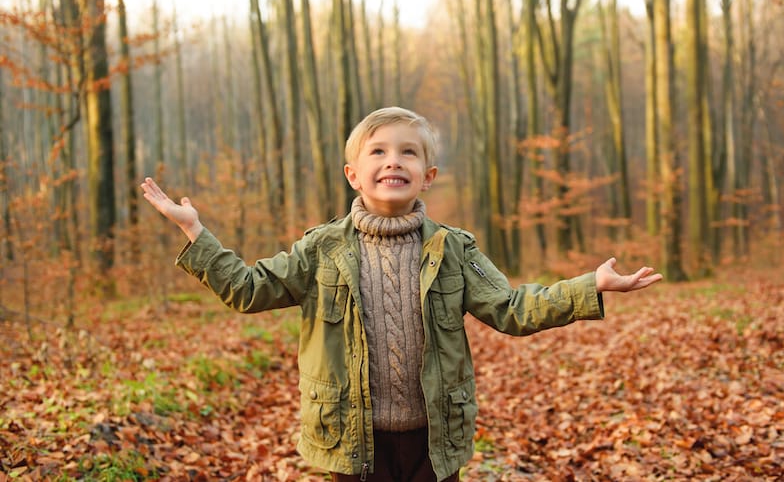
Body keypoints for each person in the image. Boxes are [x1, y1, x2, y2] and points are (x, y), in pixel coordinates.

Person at [141, 106, 661, 482]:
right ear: (354, 175)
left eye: (408, 153)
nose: (394, 161)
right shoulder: (321, 249)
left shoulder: (452, 248)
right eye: (379, 151)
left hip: (431, 439)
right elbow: (248, 289)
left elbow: (510, 309)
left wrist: (588, 286)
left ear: (427, 176)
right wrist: (195, 233)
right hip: (350, 439)